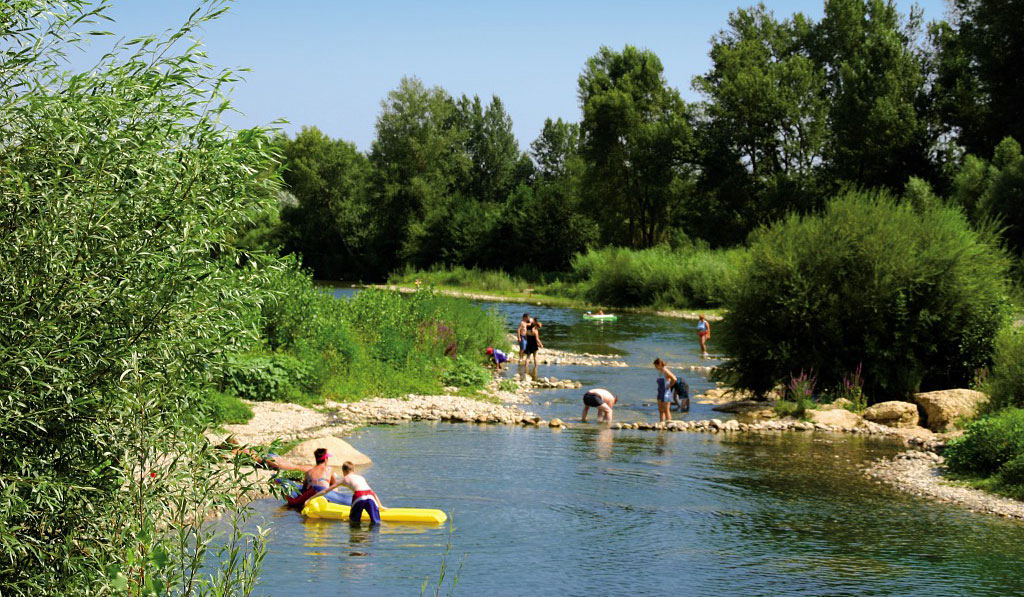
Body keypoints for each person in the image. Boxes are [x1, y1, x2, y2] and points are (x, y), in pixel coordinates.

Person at [317, 461, 386, 525]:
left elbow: (326, 491)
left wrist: (310, 498)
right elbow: (373, 493)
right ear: (353, 470)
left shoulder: (345, 479)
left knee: (354, 521)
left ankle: (356, 535)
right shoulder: (361, 477)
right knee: (376, 522)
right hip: (370, 496)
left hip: (359, 495)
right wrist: (380, 506)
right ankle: (374, 536)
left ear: (343, 472)